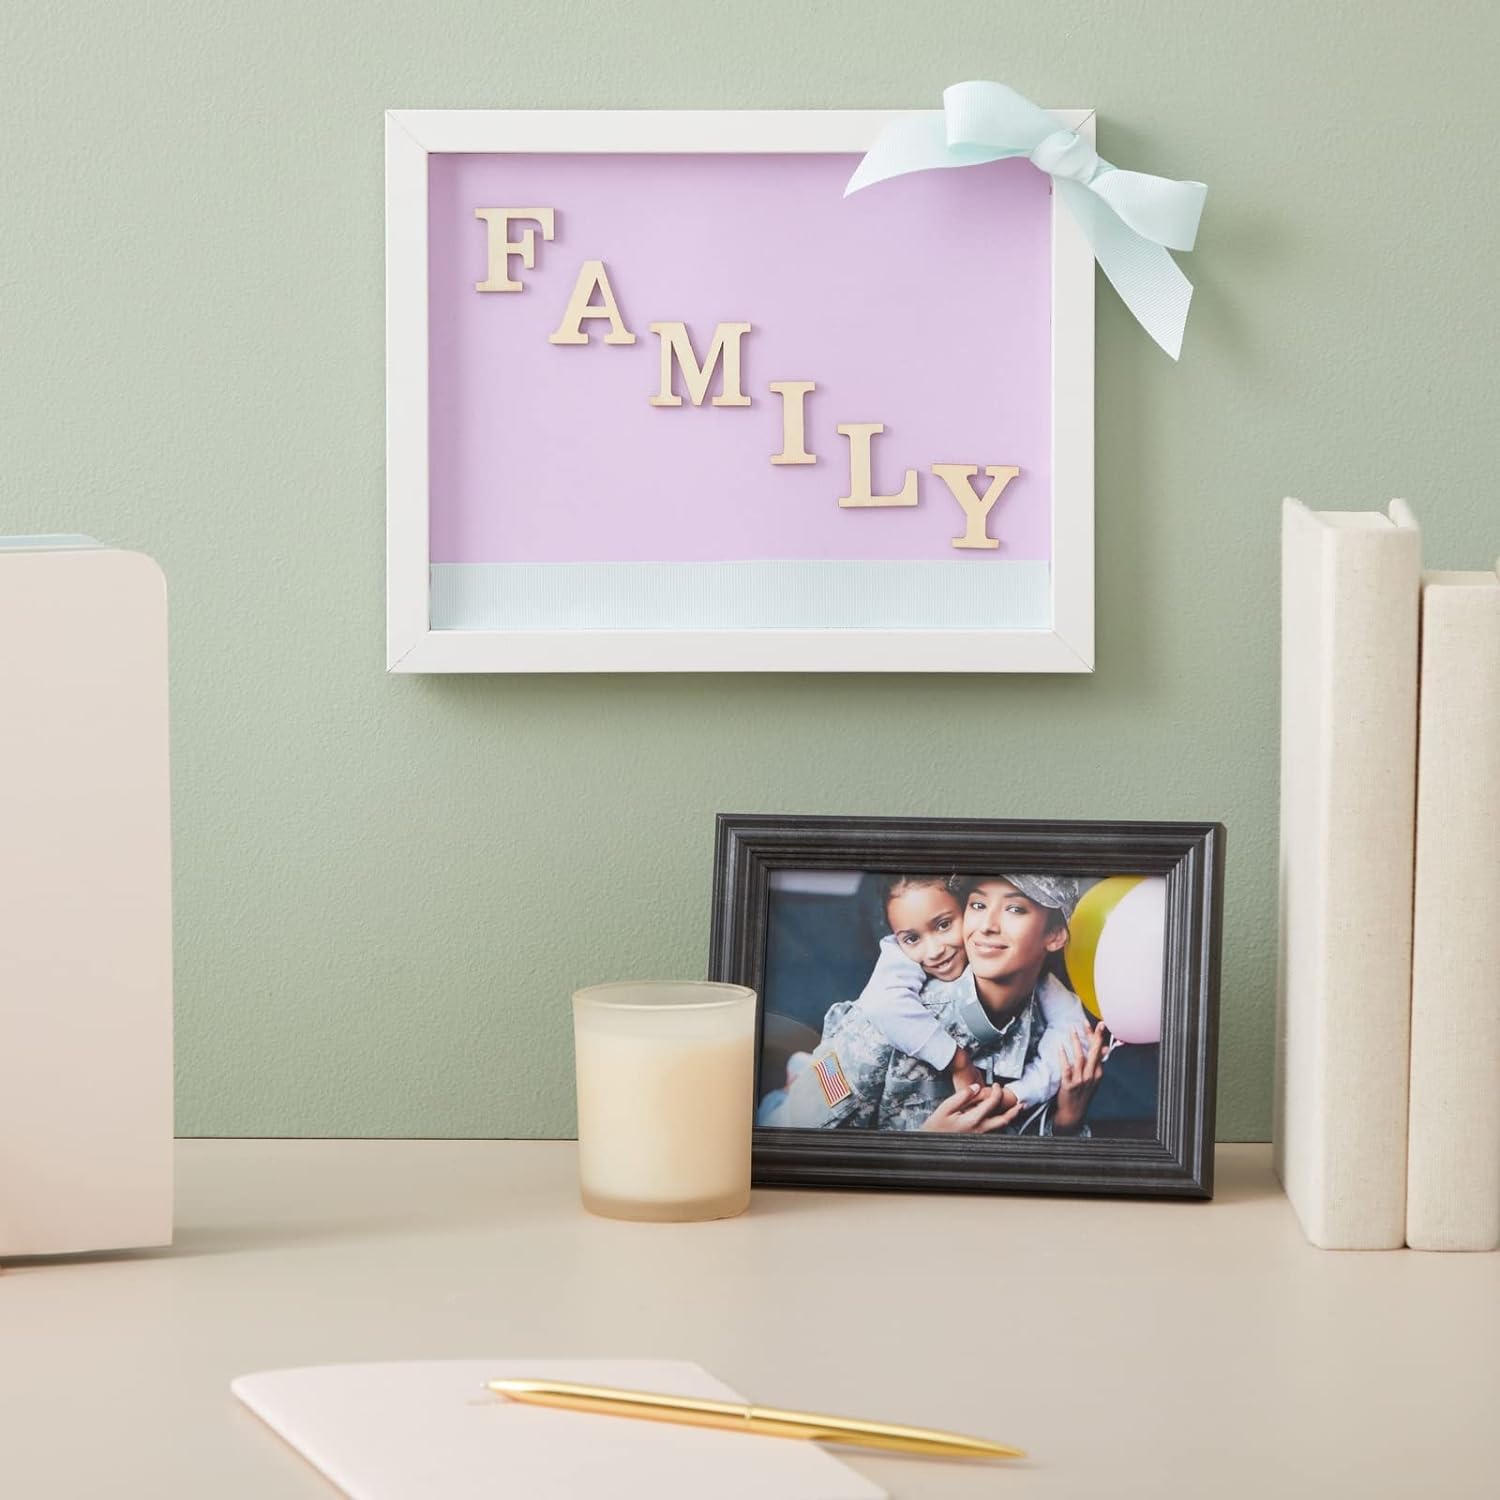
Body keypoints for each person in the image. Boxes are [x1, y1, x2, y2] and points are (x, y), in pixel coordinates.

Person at [764, 876, 1109, 1134]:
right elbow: (798, 1145)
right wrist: (925, 1148)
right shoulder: (884, 1019)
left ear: (1055, 935)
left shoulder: (1052, 1026)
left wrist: (1067, 1121)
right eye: (977, 904)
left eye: (1015, 908)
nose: (987, 926)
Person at [857, 874, 1092, 1113]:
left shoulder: (1036, 993)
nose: (935, 951)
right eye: (978, 905)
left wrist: (1019, 1095)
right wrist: (957, 1061)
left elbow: (1074, 1031)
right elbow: (881, 1005)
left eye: (1015, 909)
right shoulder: (897, 977)